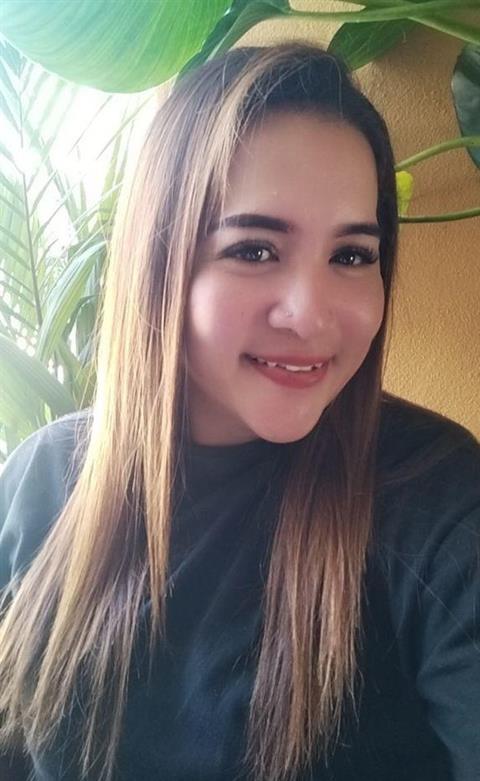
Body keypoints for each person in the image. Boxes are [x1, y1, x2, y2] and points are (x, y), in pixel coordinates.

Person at [0, 42, 479, 781]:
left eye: (352, 255)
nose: (311, 315)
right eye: (254, 250)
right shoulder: (43, 480)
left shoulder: (437, 498)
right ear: (161, 264)